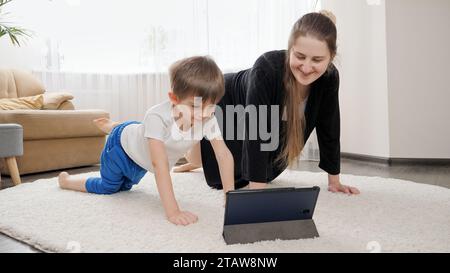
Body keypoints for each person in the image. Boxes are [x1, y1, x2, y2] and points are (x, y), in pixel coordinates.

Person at [176, 11, 360, 195]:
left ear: (331, 57)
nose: (306, 67)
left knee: (264, 171)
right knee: (207, 164)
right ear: (290, 49)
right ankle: (191, 149)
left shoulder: (329, 77)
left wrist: (334, 181)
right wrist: (257, 193)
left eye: (317, 60)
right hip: (227, 101)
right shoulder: (267, 68)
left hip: (260, 121)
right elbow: (256, 131)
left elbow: (330, 126)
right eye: (300, 56)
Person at [58, 56, 235, 226]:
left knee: (127, 186)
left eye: (210, 106)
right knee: (110, 187)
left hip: (142, 154)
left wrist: (230, 196)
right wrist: (173, 212)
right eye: (194, 106)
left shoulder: (207, 118)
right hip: (121, 148)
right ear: (174, 98)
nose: (202, 114)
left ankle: (116, 126)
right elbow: (159, 165)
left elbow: (223, 155)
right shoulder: (157, 116)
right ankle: (67, 181)